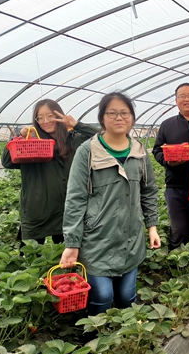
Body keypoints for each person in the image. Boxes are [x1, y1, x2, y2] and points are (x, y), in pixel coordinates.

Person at [60, 92, 160, 315]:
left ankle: (127, 342)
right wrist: (72, 243)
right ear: (102, 118)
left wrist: (152, 227)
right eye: (112, 112)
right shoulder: (87, 151)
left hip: (131, 236)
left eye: (124, 112)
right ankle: (98, 341)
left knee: (127, 297)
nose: (119, 117)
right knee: (103, 296)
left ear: (132, 118)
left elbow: (149, 191)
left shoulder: (139, 152)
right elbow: (75, 198)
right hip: (97, 238)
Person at [1, 99, 98, 245]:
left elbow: (106, 140)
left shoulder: (75, 140)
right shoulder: (30, 143)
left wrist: (77, 125)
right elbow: (7, 161)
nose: (45, 121)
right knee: (31, 256)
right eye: (40, 117)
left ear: (59, 115)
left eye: (50, 116)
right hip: (39, 211)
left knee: (66, 259)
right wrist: (19, 136)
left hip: (69, 211)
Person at [152, 83, 189, 250]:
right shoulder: (167, 125)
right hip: (176, 186)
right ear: (176, 100)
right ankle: (179, 266)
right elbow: (157, 150)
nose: (187, 99)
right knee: (179, 230)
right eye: (182, 96)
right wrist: (168, 161)